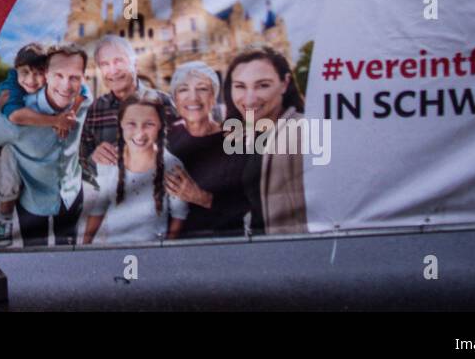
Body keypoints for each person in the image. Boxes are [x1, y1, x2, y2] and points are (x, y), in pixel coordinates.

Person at [0, 43, 91, 248]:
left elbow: (85, 91)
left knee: (68, 252)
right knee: (9, 185)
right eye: (24, 73)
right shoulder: (15, 103)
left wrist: (71, 112)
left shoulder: (79, 99)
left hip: (70, 195)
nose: (31, 80)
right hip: (32, 199)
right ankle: (3, 223)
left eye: (38, 73)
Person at [82, 92, 188, 245]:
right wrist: (84, 247)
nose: (140, 133)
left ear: (160, 125)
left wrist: (168, 251)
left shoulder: (172, 166)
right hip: (114, 250)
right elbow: (99, 208)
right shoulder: (109, 160)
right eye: (131, 124)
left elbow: (179, 215)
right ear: (121, 125)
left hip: (154, 252)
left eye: (149, 124)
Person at [223, 47, 307, 235]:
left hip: (293, 252)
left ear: (285, 83)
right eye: (240, 86)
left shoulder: (304, 130)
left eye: (263, 85)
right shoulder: (241, 135)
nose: (250, 99)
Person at [163, 61, 248, 236]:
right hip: (172, 244)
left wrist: (201, 197)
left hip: (220, 242)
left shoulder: (235, 140)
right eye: (183, 89)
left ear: (213, 97)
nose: (193, 97)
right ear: (175, 99)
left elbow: (247, 206)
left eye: (202, 88)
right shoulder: (167, 138)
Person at [81, 35, 176, 189]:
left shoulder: (164, 103)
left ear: (135, 63)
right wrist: (93, 158)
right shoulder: (94, 110)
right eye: (105, 64)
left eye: (118, 61)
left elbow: (182, 154)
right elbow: (81, 163)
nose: (113, 70)